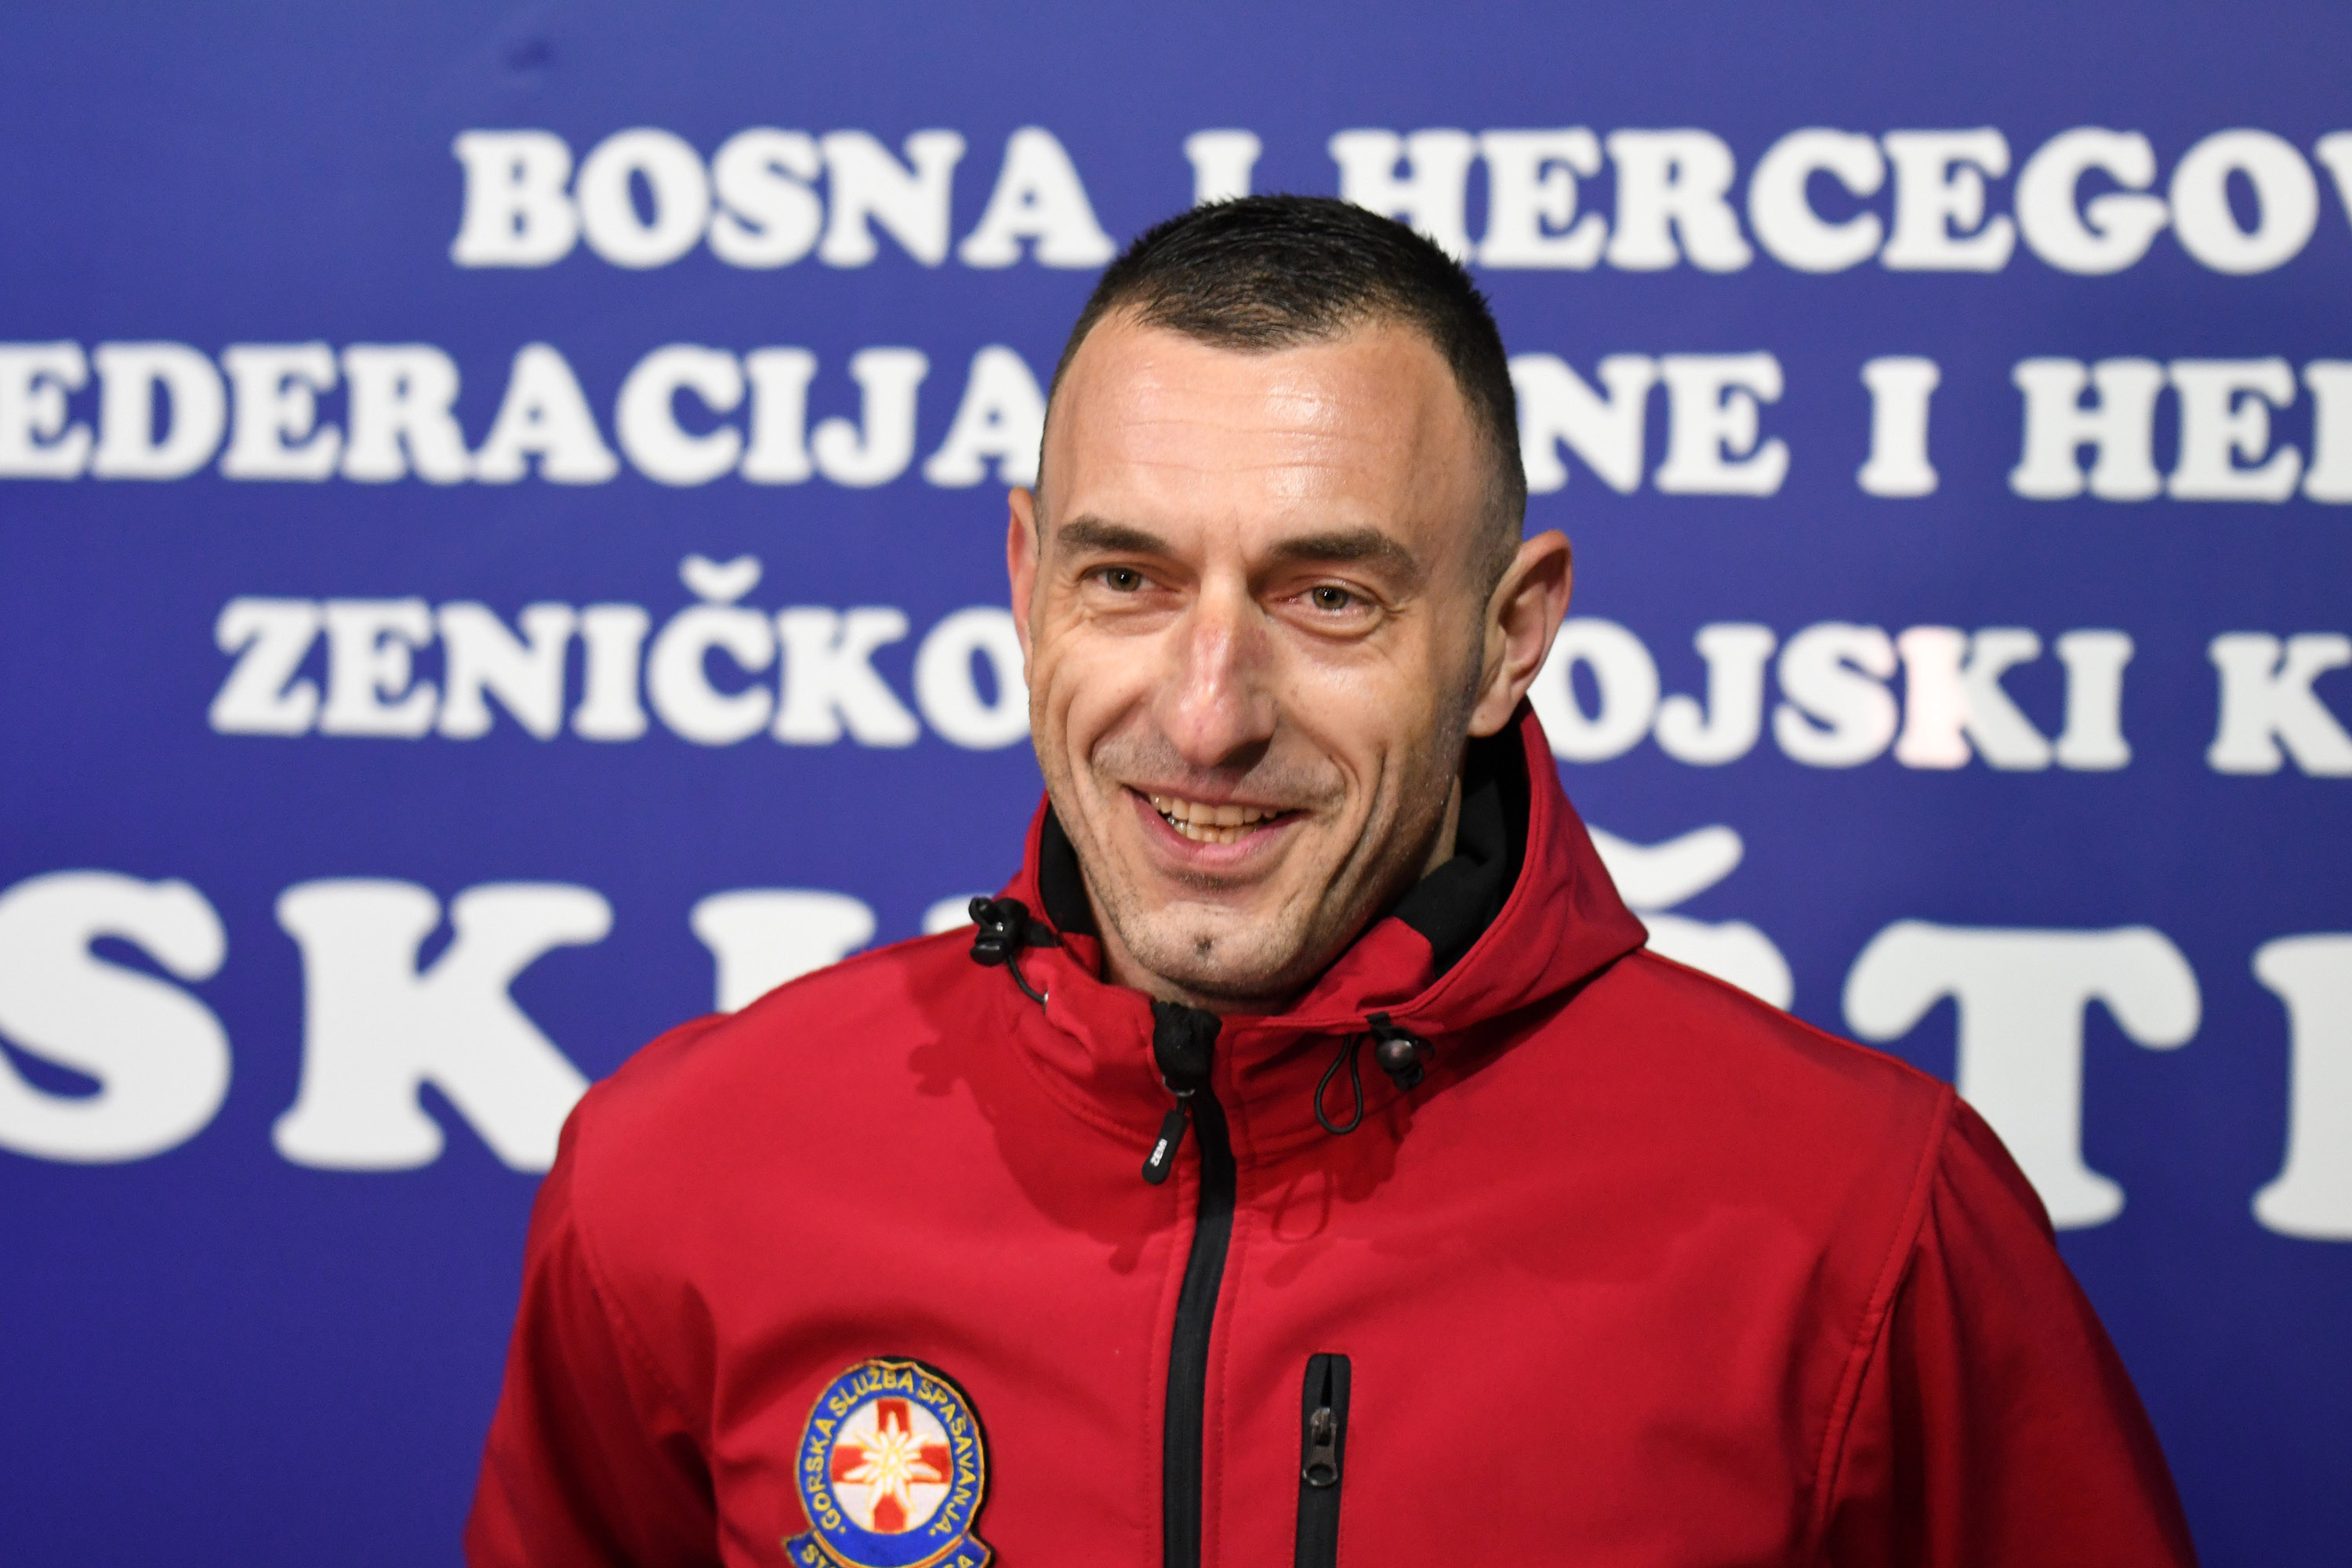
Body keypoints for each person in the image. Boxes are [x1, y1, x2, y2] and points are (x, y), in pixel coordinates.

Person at [466, 196, 2197, 1568]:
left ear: (1509, 636)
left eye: (1330, 599)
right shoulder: (684, 1174)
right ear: (1025, 579)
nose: (1207, 713)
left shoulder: (1861, 1226)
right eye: (1129, 578)